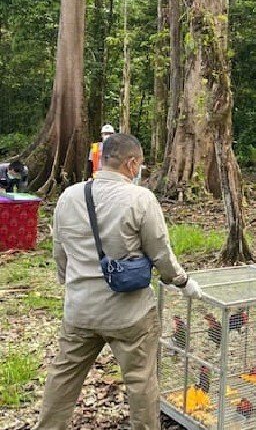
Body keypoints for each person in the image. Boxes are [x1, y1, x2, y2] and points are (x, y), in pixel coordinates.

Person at [36, 134, 202, 430]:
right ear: (131, 163)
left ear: (101, 160)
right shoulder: (140, 198)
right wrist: (182, 280)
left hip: (80, 311)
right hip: (130, 314)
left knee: (63, 378)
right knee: (141, 382)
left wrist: (69, 283)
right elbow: (161, 253)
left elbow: (60, 251)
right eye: (140, 165)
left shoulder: (68, 197)